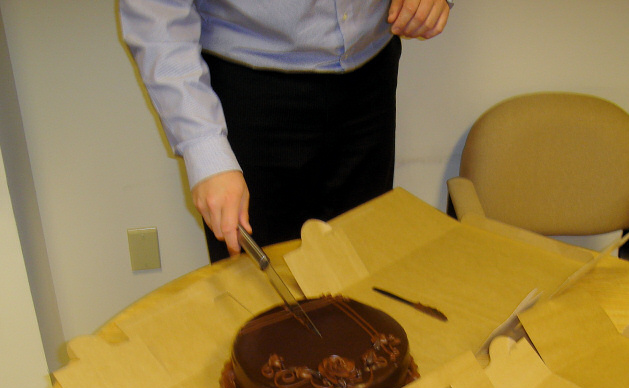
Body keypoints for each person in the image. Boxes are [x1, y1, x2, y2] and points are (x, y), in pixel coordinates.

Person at [120, 0, 452, 262]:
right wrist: (203, 148)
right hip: (249, 91)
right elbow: (156, 11)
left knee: (365, 269)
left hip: (371, 71)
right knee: (260, 302)